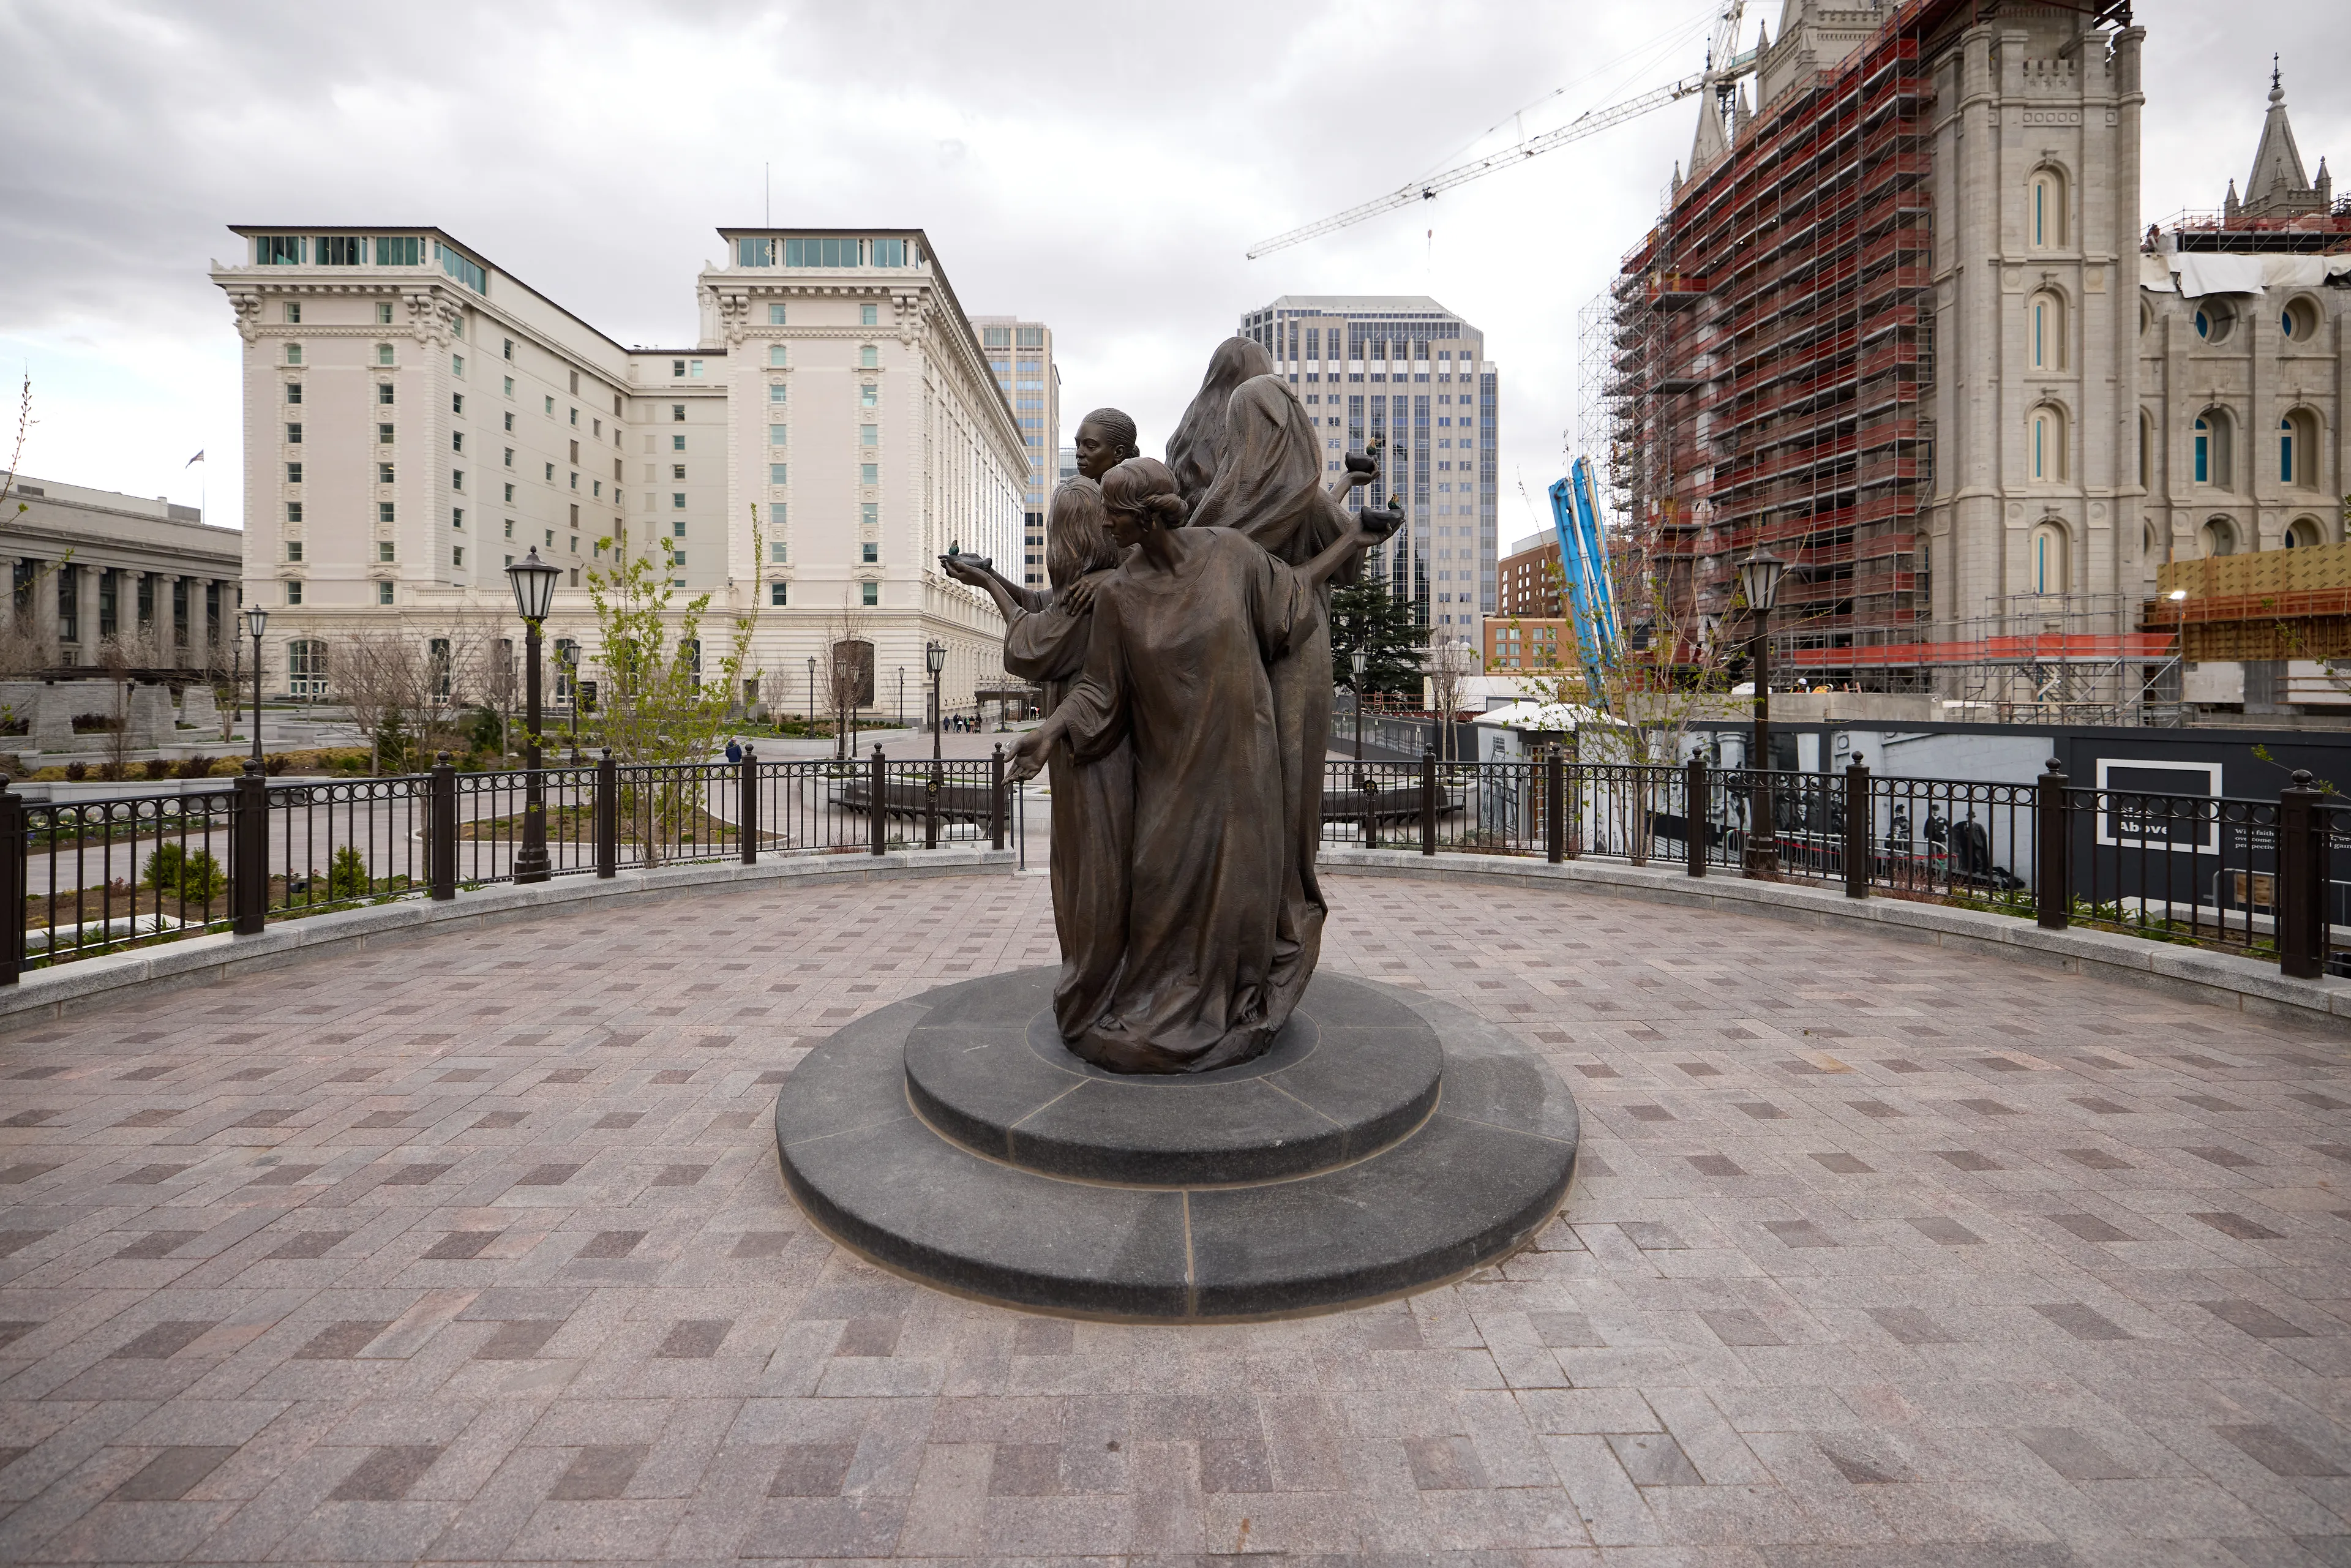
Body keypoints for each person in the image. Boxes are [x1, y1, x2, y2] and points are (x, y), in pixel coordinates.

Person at [1008, 457, 1385, 1073]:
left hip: (1243, 763)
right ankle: (1156, 1005)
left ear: (1148, 516)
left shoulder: (1230, 554)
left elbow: (1291, 595)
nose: (1105, 524)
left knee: (1238, 892)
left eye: (1114, 513)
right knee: (1156, 881)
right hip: (1170, 770)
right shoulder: (1118, 595)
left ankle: (1228, 1002)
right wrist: (1048, 732)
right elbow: (1099, 689)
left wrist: (1354, 538)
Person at [1174, 352, 1399, 1027]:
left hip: (1255, 658)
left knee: (1253, 804)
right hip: (1288, 655)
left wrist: (1344, 500)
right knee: (1280, 802)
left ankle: (1247, 942)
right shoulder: (1275, 493)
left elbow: (1304, 554)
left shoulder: (1218, 501)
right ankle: (1269, 933)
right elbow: (1329, 563)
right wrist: (1350, 527)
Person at [947, 474, 1131, 1037]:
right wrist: (987, 576)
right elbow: (1036, 607)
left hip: (1092, 756)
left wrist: (989, 584)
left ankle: (1092, 993)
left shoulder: (1092, 598)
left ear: (1070, 539)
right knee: (1083, 871)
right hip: (1087, 754)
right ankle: (1092, 984)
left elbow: (1028, 643)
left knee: (1091, 874)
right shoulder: (1094, 588)